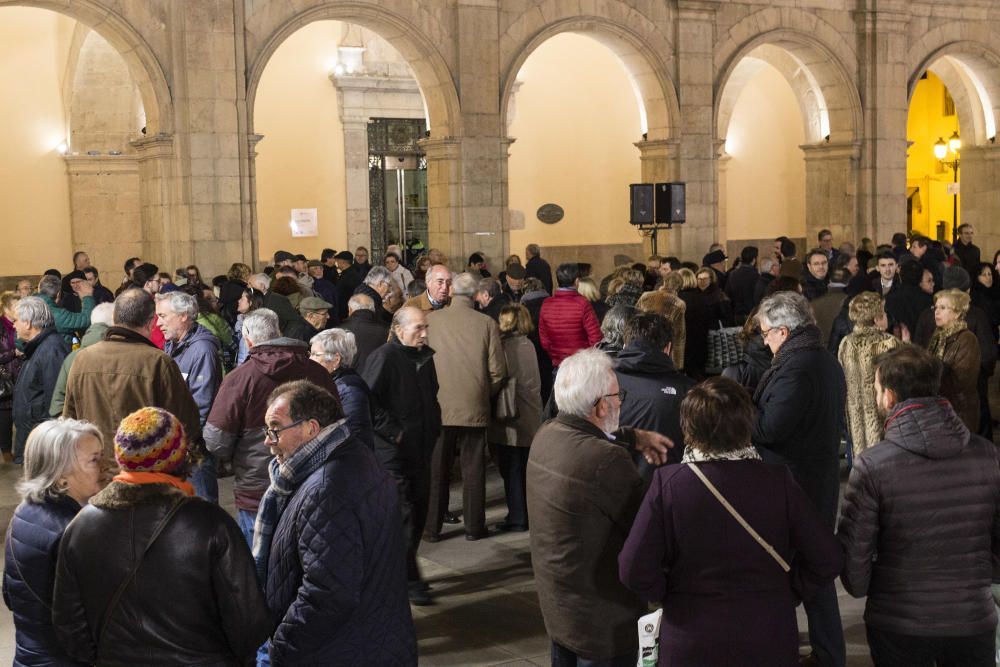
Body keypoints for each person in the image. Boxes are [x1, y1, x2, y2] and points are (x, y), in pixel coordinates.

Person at [619, 377, 843, 666]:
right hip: (767, 634)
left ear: (688, 428)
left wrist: (668, 593)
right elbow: (828, 557)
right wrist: (790, 590)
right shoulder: (778, 482)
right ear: (746, 424)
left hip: (691, 636)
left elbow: (632, 568)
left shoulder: (670, 484)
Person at [52, 407, 271, 665]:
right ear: (179, 458)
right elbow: (250, 625)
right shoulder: (211, 524)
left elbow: (69, 627)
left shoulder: (80, 527)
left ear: (121, 457)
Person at [839, 345, 1000, 666]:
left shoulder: (873, 465)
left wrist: (869, 588)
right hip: (971, 615)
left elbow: (854, 556)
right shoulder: (987, 454)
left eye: (875, 387)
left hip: (899, 619)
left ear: (890, 396)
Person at [254, 381, 415, 664]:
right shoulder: (356, 454)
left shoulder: (325, 489)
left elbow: (327, 593)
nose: (268, 441)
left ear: (311, 428)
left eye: (275, 429)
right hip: (373, 640)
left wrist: (282, 644)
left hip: (339, 651)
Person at [527, 348, 669, 666]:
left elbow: (588, 432)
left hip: (560, 608)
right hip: (603, 622)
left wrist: (632, 436)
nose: (622, 402)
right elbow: (646, 530)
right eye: (619, 395)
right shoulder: (606, 461)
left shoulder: (546, 435)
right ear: (602, 405)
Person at [752, 291, 847, 667]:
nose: (763, 340)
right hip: (813, 478)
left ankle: (810, 652)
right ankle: (826, 651)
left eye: (766, 333)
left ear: (784, 331)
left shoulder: (798, 366)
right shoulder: (818, 359)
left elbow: (771, 428)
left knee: (794, 570)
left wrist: (747, 410)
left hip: (796, 483)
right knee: (813, 570)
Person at [204, 308, 337, 544]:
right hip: (315, 482)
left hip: (258, 490)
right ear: (279, 332)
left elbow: (216, 442)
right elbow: (336, 425)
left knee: (261, 566)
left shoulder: (239, 379)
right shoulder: (317, 372)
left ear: (247, 338)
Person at [61, 289, 201, 468]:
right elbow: (185, 421)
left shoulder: (82, 359)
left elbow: (69, 420)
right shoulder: (158, 362)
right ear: (151, 323)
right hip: (144, 472)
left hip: (95, 470)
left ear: (114, 317)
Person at [3, 419, 102, 666]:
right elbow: (85, 624)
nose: (106, 466)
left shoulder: (24, 512)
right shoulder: (74, 530)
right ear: (60, 477)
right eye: (95, 460)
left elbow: (9, 594)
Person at [362, 307, 441, 604]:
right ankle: (408, 579)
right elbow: (367, 400)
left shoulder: (423, 356)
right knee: (404, 514)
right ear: (398, 328)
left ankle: (403, 571)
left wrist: (433, 425)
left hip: (420, 446)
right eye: (419, 328)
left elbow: (431, 393)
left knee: (419, 510)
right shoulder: (384, 356)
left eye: (426, 327)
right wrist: (394, 432)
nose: (424, 333)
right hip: (392, 451)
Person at [425, 273, 507, 541]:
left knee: (438, 468)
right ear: (475, 295)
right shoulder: (486, 323)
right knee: (474, 469)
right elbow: (498, 371)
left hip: (439, 404)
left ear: (450, 293)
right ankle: (474, 527)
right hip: (474, 402)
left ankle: (432, 528)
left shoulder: (432, 320)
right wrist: (483, 392)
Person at [156, 291, 223, 503]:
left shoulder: (202, 349)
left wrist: (186, 444)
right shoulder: (175, 344)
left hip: (194, 449)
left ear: (183, 316)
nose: (158, 323)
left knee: (201, 508)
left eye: (163, 316)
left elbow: (202, 403)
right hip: (180, 444)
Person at [615, 312, 694, 473]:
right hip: (667, 489)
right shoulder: (689, 391)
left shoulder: (600, 383)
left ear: (625, 345)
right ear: (668, 348)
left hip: (611, 487)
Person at [487, 304, 541, 533]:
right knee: (525, 468)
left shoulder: (504, 347)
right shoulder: (529, 344)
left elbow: (498, 377)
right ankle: (528, 514)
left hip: (510, 414)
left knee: (511, 468)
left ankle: (517, 517)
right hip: (531, 414)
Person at [838, 292, 900, 459]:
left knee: (863, 465)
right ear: (876, 317)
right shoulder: (887, 343)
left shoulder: (846, 343)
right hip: (883, 416)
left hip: (856, 417)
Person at [12, 297, 69, 465]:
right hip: (34, 437)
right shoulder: (39, 346)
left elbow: (55, 401)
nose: (13, 325)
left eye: (16, 320)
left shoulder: (51, 349)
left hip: (43, 445)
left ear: (28, 323)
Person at [309, 328, 374, 449]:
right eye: (310, 353)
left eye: (315, 355)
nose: (310, 359)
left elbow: (355, 434)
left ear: (335, 360)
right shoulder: (333, 384)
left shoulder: (349, 390)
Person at [49, 303, 115, 417]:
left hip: (82, 429)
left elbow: (57, 405)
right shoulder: (124, 353)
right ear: (116, 323)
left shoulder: (73, 358)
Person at [928, 288, 980, 432]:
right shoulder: (938, 336)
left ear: (957, 313)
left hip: (959, 413)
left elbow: (962, 381)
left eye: (943, 308)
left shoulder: (967, 339)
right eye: (936, 307)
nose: (936, 312)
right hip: (940, 409)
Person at [538, 263, 602, 371]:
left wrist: (555, 354)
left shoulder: (546, 303)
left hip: (559, 364)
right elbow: (595, 338)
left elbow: (544, 339)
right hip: (581, 365)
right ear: (577, 281)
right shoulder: (583, 303)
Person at [680, 266, 733, 378]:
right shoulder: (695, 296)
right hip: (699, 339)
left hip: (714, 337)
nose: (702, 282)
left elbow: (727, 318)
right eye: (699, 279)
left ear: (711, 279)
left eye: (705, 279)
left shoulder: (719, 296)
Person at [636, 272, 686, 370]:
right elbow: (679, 334)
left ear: (664, 281)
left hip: (643, 341)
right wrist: (677, 364)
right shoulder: (679, 304)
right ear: (680, 286)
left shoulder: (646, 296)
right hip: (664, 346)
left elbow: (635, 320)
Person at [36, 275, 94, 345]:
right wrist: (87, 296)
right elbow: (86, 319)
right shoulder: (58, 315)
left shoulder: (29, 306)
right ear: (58, 294)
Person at [339, 293, 389, 371]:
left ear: (350, 310)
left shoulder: (338, 331)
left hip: (347, 380)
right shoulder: (387, 330)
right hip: (378, 378)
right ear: (373, 310)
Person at [0, 292, 21, 463]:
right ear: (6, 308)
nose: (19, 310)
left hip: (19, 376)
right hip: (5, 378)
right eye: (16, 307)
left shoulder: (20, 325)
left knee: (20, 413)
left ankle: (21, 449)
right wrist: (13, 353)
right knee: (5, 416)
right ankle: (6, 451)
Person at [725, 246, 759, 322]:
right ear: (754, 260)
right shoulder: (755, 276)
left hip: (736, 314)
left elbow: (727, 294)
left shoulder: (732, 274)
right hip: (751, 314)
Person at [218, 262, 251, 326]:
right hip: (237, 321)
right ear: (245, 274)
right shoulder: (242, 288)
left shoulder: (225, 286)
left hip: (226, 320)